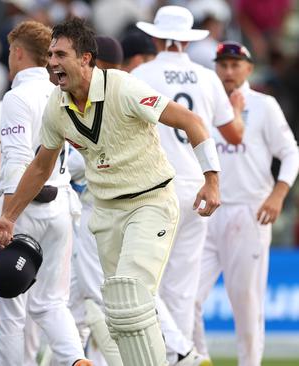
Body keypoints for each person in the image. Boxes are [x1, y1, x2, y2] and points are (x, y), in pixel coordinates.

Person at [0, 17, 221, 366]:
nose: (52, 61)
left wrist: (212, 179)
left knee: (130, 295)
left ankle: (184, 356)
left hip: (151, 202)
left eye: (61, 54)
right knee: (116, 310)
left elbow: (191, 121)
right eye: (50, 54)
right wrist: (8, 217)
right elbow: (40, 166)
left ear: (85, 58)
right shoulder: (57, 104)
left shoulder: (123, 87)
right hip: (106, 212)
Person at [131, 5, 244, 364]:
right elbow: (234, 134)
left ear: (156, 37)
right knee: (180, 288)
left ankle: (173, 352)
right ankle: (181, 356)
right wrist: (237, 107)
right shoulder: (208, 77)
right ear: (186, 40)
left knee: (139, 281)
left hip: (155, 189)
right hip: (199, 188)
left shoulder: (141, 73)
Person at [0, 20, 88, 366]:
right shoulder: (60, 93)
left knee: (10, 312)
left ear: (17, 52)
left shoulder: (17, 97)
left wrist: (6, 217)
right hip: (60, 205)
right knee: (51, 303)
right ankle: (77, 360)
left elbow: (17, 161)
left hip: (24, 211)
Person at [194, 41, 299, 366]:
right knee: (186, 297)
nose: (228, 71)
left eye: (235, 65)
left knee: (245, 302)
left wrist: (278, 194)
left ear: (249, 69)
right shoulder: (204, 104)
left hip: (249, 211)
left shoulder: (263, 105)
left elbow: (291, 152)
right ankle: (198, 359)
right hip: (206, 212)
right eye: (222, 65)